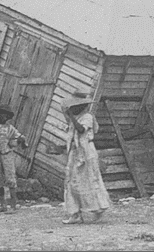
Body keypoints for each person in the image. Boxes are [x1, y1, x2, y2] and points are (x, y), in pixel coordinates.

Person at [61, 93, 111, 224]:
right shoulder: (76, 118)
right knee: (72, 181)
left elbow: (81, 130)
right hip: (76, 152)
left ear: (81, 106)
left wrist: (71, 117)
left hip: (87, 152)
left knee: (90, 180)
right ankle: (75, 213)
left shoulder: (87, 117)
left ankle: (99, 210)